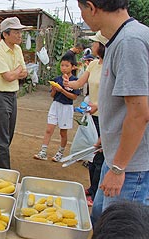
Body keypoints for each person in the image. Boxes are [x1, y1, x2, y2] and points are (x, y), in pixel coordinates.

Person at [77, 0, 149, 226]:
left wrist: (118, 169)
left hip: (130, 168)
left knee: (118, 229)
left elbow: (139, 114)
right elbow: (122, 105)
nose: (82, 17)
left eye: (81, 10)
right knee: (100, 221)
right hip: (117, 157)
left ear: (92, 7)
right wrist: (107, 139)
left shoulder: (130, 42)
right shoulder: (120, 39)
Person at [64, 31, 108, 207]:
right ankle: (92, 187)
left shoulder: (112, 66)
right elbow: (79, 83)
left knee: (99, 157)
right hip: (91, 116)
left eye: (95, 43)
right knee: (91, 155)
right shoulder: (94, 65)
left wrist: (100, 106)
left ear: (102, 46)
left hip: (105, 116)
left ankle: (97, 192)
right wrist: (68, 83)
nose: (92, 46)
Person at [0, 17, 28, 169]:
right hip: (0, 96)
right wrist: (16, 71)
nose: (20, 35)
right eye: (16, 32)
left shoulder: (17, 49)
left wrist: (14, 72)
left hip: (12, 96)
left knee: (7, 136)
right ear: (5, 34)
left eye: (20, 32)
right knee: (3, 140)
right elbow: (8, 77)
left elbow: (24, 73)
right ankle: (5, 174)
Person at [33, 55, 80, 162]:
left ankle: (60, 153)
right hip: (55, 105)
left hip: (66, 107)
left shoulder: (75, 81)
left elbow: (74, 97)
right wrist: (54, 89)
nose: (63, 68)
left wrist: (62, 90)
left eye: (66, 65)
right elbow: (52, 95)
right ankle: (43, 152)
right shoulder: (57, 79)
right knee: (49, 129)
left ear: (72, 67)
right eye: (62, 65)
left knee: (63, 132)